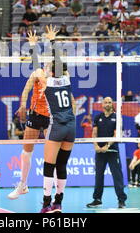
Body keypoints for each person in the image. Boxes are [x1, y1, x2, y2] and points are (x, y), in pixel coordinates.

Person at [8, 29, 52, 200]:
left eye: (50, 62)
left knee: (51, 153)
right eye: (46, 63)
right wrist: (22, 105)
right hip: (34, 116)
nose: (47, 65)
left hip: (50, 118)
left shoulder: (57, 78)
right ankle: (22, 184)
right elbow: (25, 91)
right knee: (26, 152)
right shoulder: (37, 73)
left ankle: (50, 188)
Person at [38, 25, 76, 213]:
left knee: (49, 165)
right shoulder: (68, 80)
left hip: (58, 126)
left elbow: (38, 68)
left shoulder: (46, 82)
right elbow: (59, 62)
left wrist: (33, 46)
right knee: (62, 165)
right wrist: (53, 42)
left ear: (51, 71)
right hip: (71, 127)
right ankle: (58, 202)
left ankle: (46, 203)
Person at [86, 97, 127, 209]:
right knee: (98, 176)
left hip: (112, 150)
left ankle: (121, 200)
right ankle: (97, 199)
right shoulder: (98, 117)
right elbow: (94, 133)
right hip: (100, 152)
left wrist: (107, 146)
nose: (107, 104)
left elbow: (116, 134)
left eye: (109, 102)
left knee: (117, 176)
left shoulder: (117, 117)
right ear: (102, 104)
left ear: (111, 104)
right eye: (105, 102)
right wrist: (95, 145)